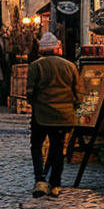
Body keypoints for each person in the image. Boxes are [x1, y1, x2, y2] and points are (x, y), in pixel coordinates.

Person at [25, 31, 82, 199]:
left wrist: (35, 104)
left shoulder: (36, 66)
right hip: (63, 116)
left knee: (36, 145)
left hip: (41, 115)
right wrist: (75, 107)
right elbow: (78, 92)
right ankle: (55, 184)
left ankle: (40, 180)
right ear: (56, 48)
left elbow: (30, 92)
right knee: (58, 149)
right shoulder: (70, 66)